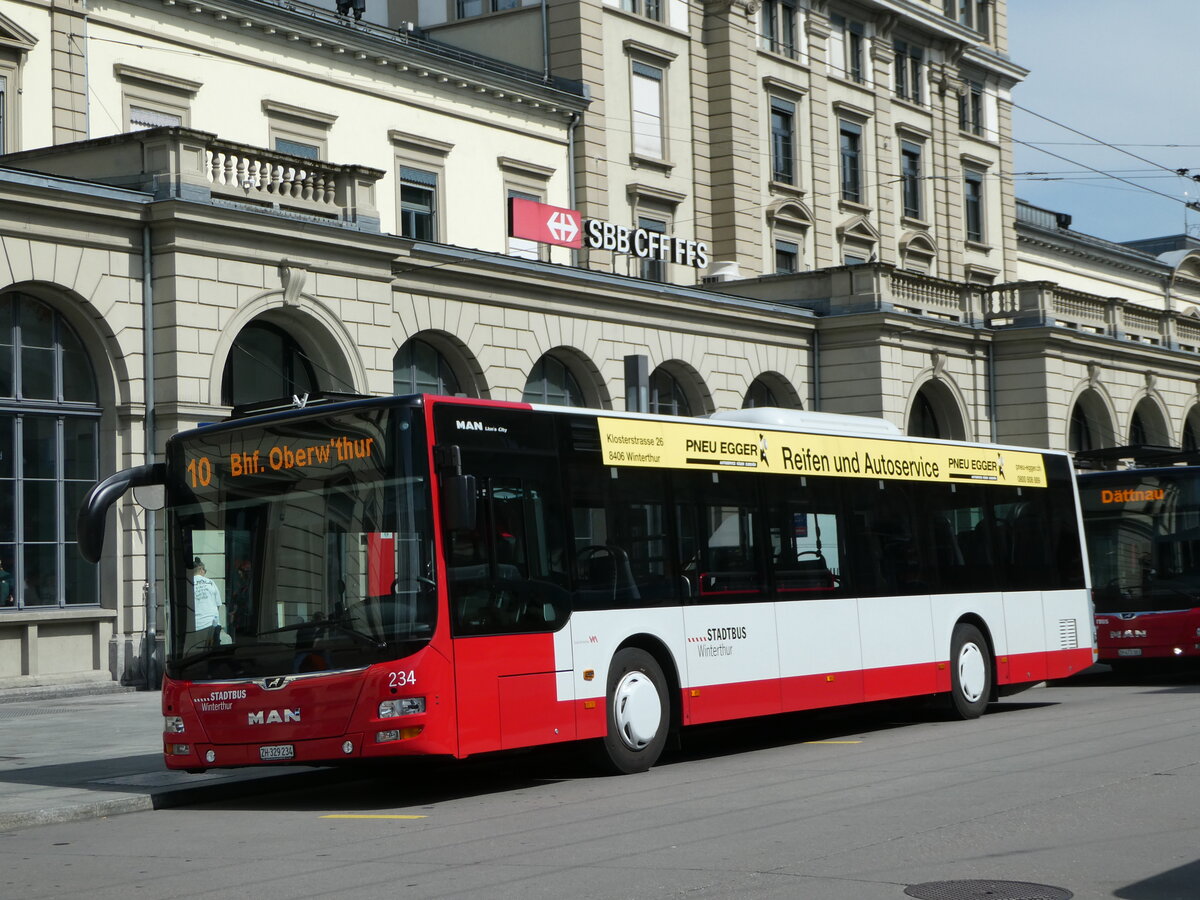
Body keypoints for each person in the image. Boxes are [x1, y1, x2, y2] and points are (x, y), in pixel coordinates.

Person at [190, 557, 223, 632]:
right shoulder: (211, 582)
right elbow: (218, 604)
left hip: (197, 626)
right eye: (205, 570)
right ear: (201, 569)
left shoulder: (189, 584)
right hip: (213, 624)